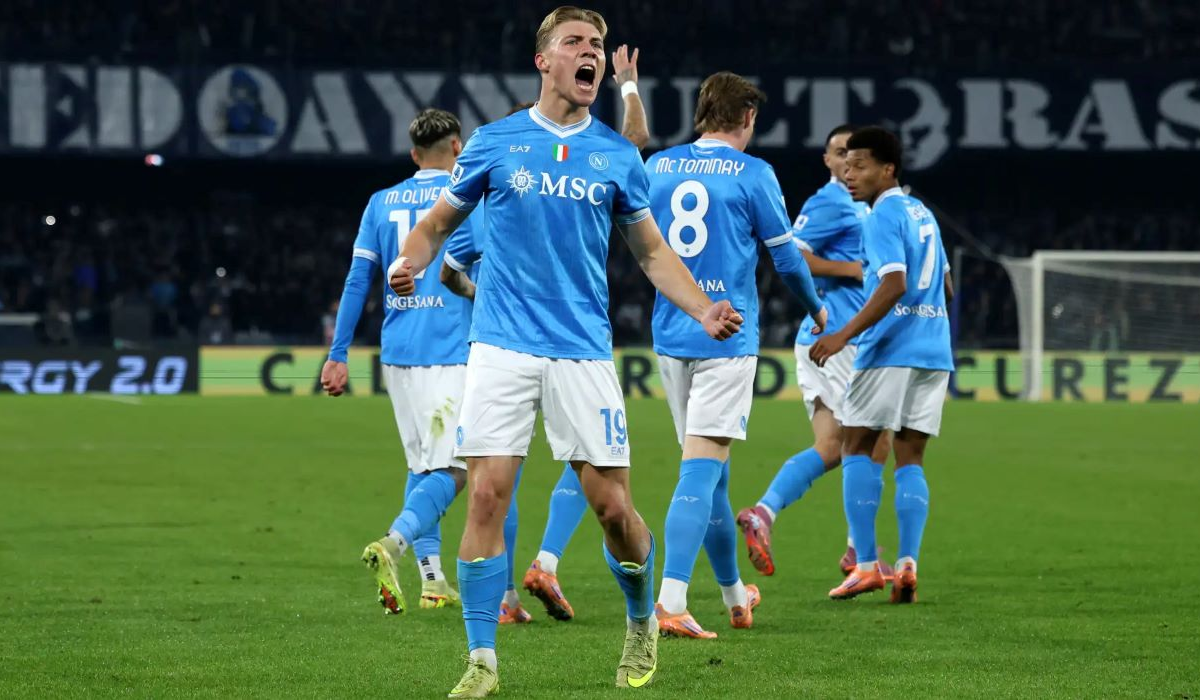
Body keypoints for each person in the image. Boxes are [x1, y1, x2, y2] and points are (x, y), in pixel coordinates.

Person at [387, 7, 743, 695]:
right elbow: (435, 225)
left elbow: (651, 252)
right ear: (543, 60)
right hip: (500, 345)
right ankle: (482, 660)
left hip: (581, 350)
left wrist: (703, 307)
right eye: (575, 42)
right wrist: (410, 261)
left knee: (614, 511)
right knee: (485, 494)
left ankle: (640, 619)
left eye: (598, 46)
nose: (591, 53)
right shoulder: (495, 142)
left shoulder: (615, 154)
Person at [645, 72, 826, 638]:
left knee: (714, 475)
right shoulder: (753, 173)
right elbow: (788, 260)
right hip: (726, 335)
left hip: (671, 333)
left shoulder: (658, 167)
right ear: (747, 117)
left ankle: (733, 595)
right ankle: (671, 602)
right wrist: (817, 309)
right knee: (701, 470)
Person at [320, 108, 477, 613]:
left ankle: (433, 581)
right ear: (458, 147)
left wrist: (338, 353)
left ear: (413, 154)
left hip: (399, 353)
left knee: (422, 465)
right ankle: (394, 542)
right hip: (451, 350)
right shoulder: (467, 195)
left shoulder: (380, 202)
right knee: (458, 468)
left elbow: (357, 281)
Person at [736, 125, 895, 579]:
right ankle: (857, 549)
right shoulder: (829, 202)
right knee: (871, 441)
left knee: (835, 445)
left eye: (856, 155)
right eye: (841, 153)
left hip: (833, 339)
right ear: (827, 159)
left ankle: (766, 514)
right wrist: (855, 270)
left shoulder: (861, 206)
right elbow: (794, 255)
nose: (848, 161)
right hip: (834, 339)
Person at [809, 126, 954, 603]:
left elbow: (893, 284)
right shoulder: (922, 212)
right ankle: (908, 563)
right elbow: (947, 287)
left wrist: (842, 335)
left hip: (890, 349)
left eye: (861, 166)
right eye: (846, 165)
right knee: (910, 458)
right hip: (934, 350)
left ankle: (868, 565)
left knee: (855, 445)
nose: (850, 174)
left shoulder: (881, 216)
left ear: (888, 169)